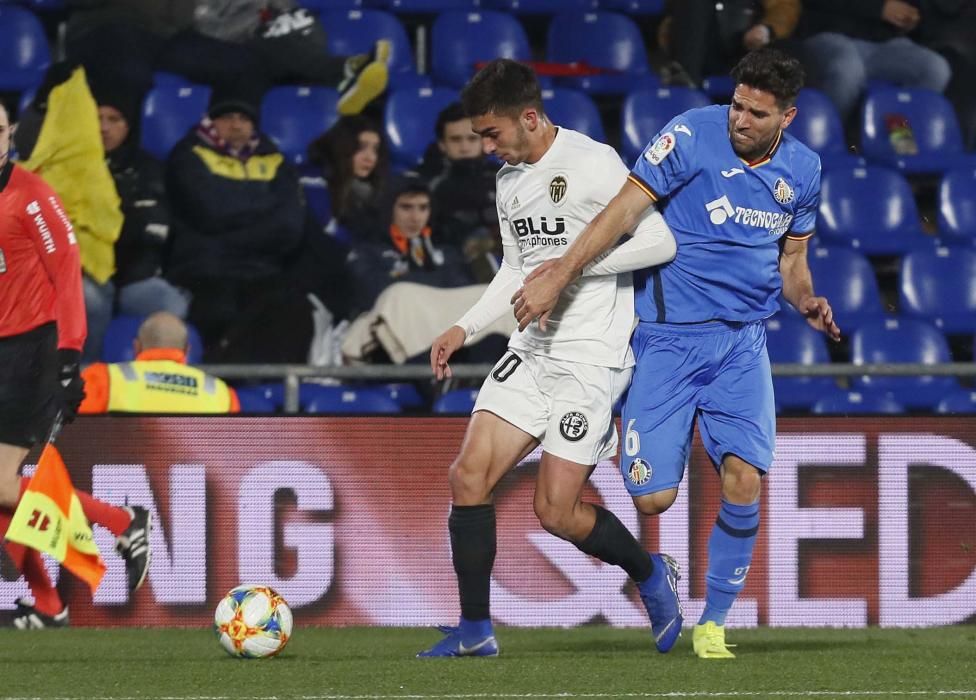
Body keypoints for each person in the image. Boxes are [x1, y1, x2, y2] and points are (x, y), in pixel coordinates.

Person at [513, 48, 841, 659]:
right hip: (666, 341)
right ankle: (654, 511)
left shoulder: (804, 170)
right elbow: (624, 211)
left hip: (742, 344)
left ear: (786, 118)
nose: (739, 119)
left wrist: (808, 301)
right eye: (738, 104)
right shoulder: (690, 135)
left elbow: (792, 261)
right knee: (652, 498)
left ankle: (713, 622)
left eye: (756, 113)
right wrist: (563, 271)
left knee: (745, 478)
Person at [417, 59, 680, 658]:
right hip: (531, 350)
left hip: (589, 358)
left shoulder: (593, 163)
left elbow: (659, 241)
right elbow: (517, 268)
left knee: (555, 511)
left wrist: (570, 273)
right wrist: (463, 326)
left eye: (493, 134)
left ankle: (649, 574)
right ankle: (476, 631)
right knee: (469, 476)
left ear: (530, 117)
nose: (486, 147)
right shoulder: (510, 180)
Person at [0, 101, 151, 628]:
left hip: (28, 351)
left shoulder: (32, 198)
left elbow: (67, 274)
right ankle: (48, 605)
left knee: (1, 485)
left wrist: (69, 357)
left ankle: (119, 520)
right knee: (3, 494)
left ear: (10, 133)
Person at [164, 83, 308, 362]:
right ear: (211, 121)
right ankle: (227, 384)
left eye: (244, 118)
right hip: (204, 269)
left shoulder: (276, 161)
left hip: (263, 270)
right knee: (220, 311)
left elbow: (289, 227)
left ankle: (272, 395)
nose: (236, 125)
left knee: (294, 310)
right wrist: (263, 207)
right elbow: (209, 210)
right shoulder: (188, 155)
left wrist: (227, 228)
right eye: (227, 117)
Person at [94, 84, 189, 321]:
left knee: (172, 304)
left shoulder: (150, 168)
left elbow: (157, 228)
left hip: (136, 279)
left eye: (113, 119)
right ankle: (84, 360)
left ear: (128, 124)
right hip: (89, 278)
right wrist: (131, 216)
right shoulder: (73, 167)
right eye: (97, 118)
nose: (104, 128)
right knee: (89, 302)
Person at [799, 1, 952, 120]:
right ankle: (825, 144)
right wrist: (879, 8)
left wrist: (909, 20)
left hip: (883, 42)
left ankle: (893, 139)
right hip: (829, 34)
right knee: (848, 69)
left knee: (935, 68)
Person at [79, 312, 239, 414]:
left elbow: (71, 438)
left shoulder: (103, 379)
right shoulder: (222, 394)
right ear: (187, 350)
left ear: (136, 347)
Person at [306, 115, 389, 243]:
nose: (370, 157)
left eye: (375, 149)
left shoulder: (373, 188)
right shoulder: (313, 181)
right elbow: (328, 235)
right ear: (342, 146)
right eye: (361, 147)